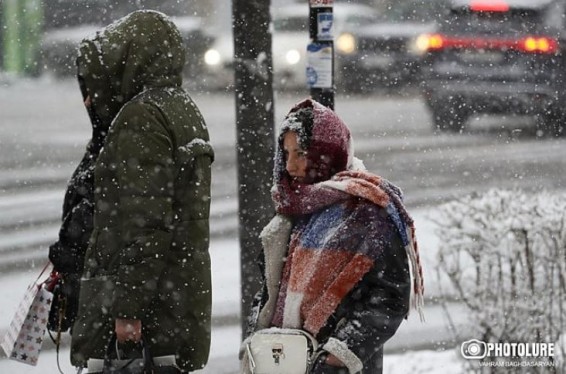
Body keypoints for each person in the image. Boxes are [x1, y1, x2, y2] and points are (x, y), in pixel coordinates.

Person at [47, 10, 214, 373]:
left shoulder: (140, 116)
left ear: (128, 59)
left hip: (144, 314)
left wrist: (127, 312)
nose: (90, 99)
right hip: (176, 294)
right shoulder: (181, 107)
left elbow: (145, 224)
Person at [241, 99, 424, 374]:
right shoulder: (294, 210)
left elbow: (390, 297)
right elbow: (270, 290)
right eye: (286, 153)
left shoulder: (367, 213)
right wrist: (257, 336)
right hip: (284, 362)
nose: (290, 165)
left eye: (301, 153)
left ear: (326, 152)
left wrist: (338, 355)